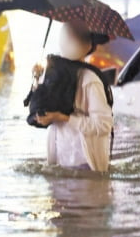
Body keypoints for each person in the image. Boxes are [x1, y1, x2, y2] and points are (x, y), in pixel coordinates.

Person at [34, 20, 114, 172]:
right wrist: (37, 79)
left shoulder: (90, 79)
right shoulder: (52, 76)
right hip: (59, 162)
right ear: (89, 44)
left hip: (85, 163)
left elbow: (103, 125)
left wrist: (63, 118)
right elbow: (39, 115)